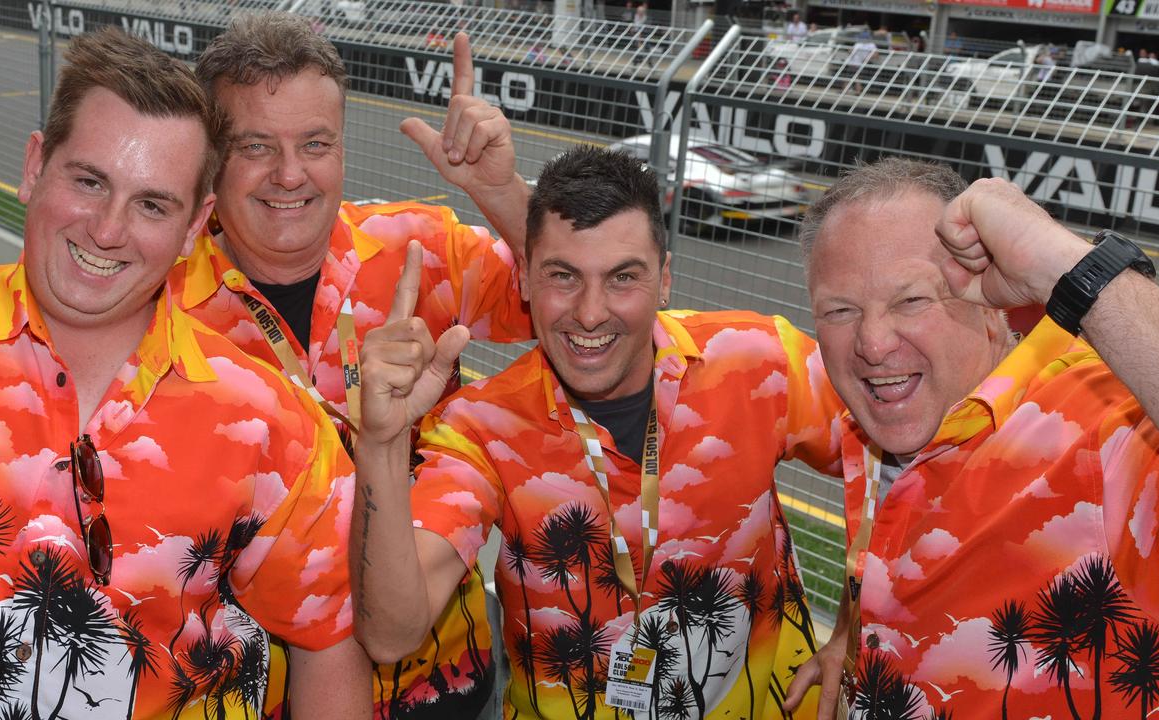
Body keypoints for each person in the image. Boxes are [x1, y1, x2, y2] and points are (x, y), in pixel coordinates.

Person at [0, 27, 368, 719]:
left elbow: (330, 643)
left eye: (152, 204)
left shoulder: (269, 421)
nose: (108, 230)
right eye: (88, 181)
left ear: (195, 225)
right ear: (34, 166)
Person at [352, 145, 846, 719]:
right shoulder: (480, 427)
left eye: (622, 278)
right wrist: (382, 445)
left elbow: (904, 458)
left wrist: (857, 627)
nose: (590, 313)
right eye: (563, 276)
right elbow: (390, 633)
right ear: (528, 281)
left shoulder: (758, 359)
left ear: (664, 281)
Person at [182, 12, 533, 719]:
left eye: (315, 143)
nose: (290, 174)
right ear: (211, 160)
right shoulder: (162, 305)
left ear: (343, 148)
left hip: (453, 684)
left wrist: (499, 192)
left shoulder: (420, 247)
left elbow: (570, 297)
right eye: (256, 145)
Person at [783, 158, 1159, 718]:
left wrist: (1074, 269)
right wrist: (856, 631)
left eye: (911, 300)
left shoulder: (1110, 433)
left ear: (993, 307)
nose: (871, 342)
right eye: (840, 310)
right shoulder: (871, 424)